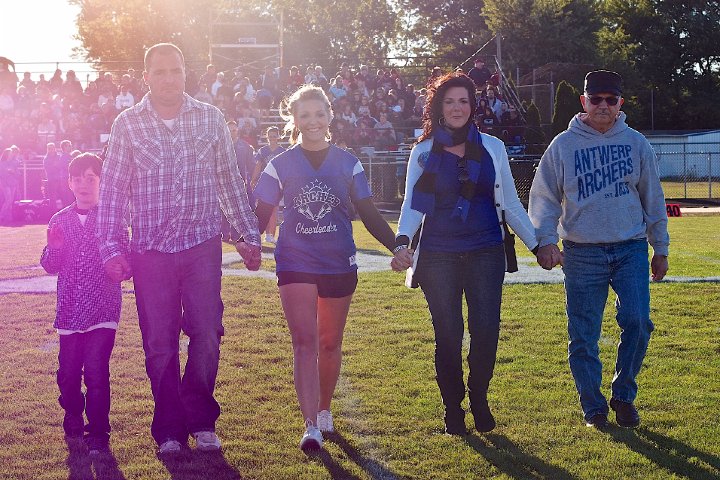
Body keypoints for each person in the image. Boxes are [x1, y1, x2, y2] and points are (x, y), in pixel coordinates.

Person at [96, 43, 262, 454]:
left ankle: (201, 418)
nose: (169, 78)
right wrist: (111, 247)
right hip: (150, 251)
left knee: (207, 332)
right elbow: (113, 191)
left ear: (186, 73)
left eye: (176, 70)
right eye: (160, 72)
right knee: (159, 342)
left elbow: (228, 181)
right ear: (146, 77)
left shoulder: (210, 118)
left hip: (201, 245)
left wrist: (247, 235)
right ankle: (168, 427)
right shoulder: (127, 124)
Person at [391, 73, 538, 435]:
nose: (457, 108)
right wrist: (402, 242)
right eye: (449, 101)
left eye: (463, 101)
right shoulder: (423, 151)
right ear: (438, 107)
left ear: (473, 106)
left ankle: (480, 396)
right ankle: (452, 408)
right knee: (448, 334)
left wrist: (539, 244)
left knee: (486, 330)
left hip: (486, 250)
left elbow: (511, 204)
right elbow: (412, 204)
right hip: (438, 254)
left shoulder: (493, 147)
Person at [252, 85, 397, 450]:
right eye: (305, 115)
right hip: (295, 260)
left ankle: (324, 409)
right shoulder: (279, 164)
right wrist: (243, 239)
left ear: (330, 116)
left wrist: (397, 245)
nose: (313, 121)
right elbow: (261, 214)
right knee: (304, 342)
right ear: (294, 120)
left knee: (330, 342)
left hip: (338, 260)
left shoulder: (349, 162)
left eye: (319, 114)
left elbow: (368, 212)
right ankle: (310, 425)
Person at [528, 70, 670, 429]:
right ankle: (593, 407)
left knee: (638, 321)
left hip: (630, 248)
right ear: (584, 102)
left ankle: (623, 396)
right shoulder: (563, 145)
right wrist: (546, 240)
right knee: (583, 335)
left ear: (620, 103)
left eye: (610, 99)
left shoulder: (636, 142)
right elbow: (544, 197)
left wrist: (661, 247)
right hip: (581, 252)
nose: (603, 105)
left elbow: (653, 197)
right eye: (596, 99)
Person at [40, 153, 130, 455]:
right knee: (68, 375)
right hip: (69, 310)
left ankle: (99, 432)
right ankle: (73, 412)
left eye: (91, 178)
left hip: (102, 308)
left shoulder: (112, 218)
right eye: (78, 179)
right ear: (69, 183)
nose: (84, 184)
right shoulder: (59, 220)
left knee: (96, 372)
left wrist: (122, 267)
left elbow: (126, 261)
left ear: (102, 181)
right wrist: (54, 248)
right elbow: (50, 265)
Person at [251, 126, 285, 243]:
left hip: (276, 183)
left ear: (278, 137)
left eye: (274, 136)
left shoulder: (283, 152)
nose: (272, 138)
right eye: (270, 136)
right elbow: (258, 166)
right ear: (267, 137)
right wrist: (253, 180)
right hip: (265, 183)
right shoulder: (263, 151)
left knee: (274, 209)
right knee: (264, 209)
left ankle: (271, 234)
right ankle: (265, 234)